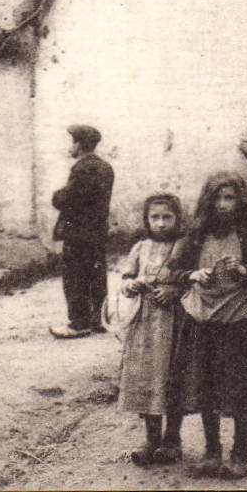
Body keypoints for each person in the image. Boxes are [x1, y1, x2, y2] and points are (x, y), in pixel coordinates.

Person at [168, 172, 247, 480]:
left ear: (240, 201)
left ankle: (239, 454)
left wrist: (244, 270)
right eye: (217, 198)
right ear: (208, 201)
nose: (222, 205)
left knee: (242, 389)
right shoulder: (196, 234)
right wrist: (193, 275)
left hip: (240, 322)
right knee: (206, 387)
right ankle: (211, 452)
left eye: (229, 198)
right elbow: (173, 272)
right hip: (203, 321)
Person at [117, 193, 189, 465]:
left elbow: (192, 279)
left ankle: (172, 439)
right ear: (146, 220)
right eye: (154, 217)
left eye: (167, 217)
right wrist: (131, 284)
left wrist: (175, 290)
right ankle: (151, 439)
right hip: (145, 325)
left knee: (172, 376)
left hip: (175, 322)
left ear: (177, 219)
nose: (160, 223)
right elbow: (126, 277)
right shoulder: (140, 247)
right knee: (147, 376)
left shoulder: (183, 247)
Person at [50, 124, 114, 338]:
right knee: (96, 275)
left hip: (78, 233)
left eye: (72, 142)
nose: (70, 147)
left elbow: (68, 199)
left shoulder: (83, 168)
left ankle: (79, 323)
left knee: (75, 276)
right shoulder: (105, 168)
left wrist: (57, 196)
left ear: (78, 144)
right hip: (97, 232)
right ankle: (98, 319)